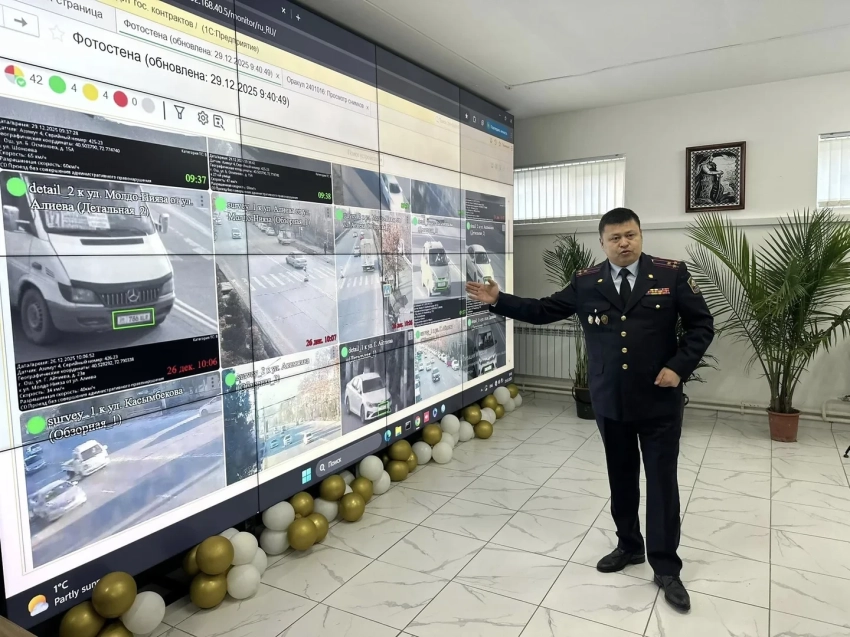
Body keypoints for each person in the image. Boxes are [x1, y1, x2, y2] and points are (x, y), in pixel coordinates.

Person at [466, 207, 713, 613]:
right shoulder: (587, 281)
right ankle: (629, 545)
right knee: (621, 477)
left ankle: (666, 567)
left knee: (662, 483)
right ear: (602, 242)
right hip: (610, 400)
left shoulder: (670, 275)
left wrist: (678, 367)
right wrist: (499, 300)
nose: (624, 243)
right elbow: (544, 310)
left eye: (630, 235)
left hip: (659, 400)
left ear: (640, 235)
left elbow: (702, 325)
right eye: (615, 238)